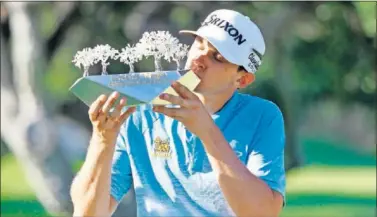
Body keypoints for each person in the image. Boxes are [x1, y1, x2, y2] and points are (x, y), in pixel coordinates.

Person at [70, 9, 286, 217]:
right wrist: (103, 139)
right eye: (199, 43)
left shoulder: (262, 116)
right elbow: (87, 213)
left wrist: (207, 132)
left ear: (242, 79)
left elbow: (263, 212)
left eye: (218, 57)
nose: (200, 58)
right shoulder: (140, 108)